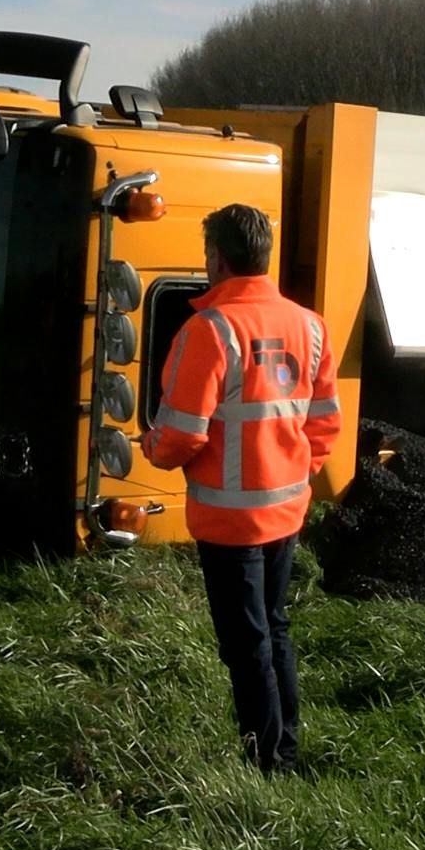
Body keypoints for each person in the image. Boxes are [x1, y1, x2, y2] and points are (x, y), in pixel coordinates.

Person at [145, 204, 340, 775]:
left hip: (230, 522)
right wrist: (297, 476)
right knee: (274, 628)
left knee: (246, 642)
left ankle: (268, 763)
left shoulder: (209, 330)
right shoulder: (309, 325)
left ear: (217, 258)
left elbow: (181, 435)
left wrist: (152, 448)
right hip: (285, 510)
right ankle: (287, 748)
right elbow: (324, 422)